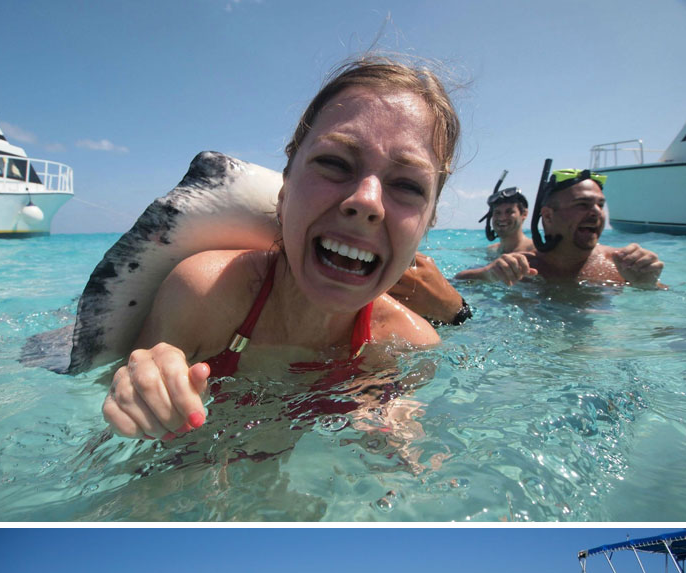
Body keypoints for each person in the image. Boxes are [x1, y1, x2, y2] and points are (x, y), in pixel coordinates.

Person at [101, 56, 461, 440]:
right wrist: (141, 390)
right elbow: (123, 435)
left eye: (407, 186)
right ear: (284, 189)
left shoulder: (409, 348)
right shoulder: (206, 295)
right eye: (335, 162)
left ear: (427, 224)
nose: (367, 201)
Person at [455, 167, 665, 288]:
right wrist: (488, 274)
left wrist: (647, 286)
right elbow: (455, 285)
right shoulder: (525, 267)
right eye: (582, 205)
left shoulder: (621, 266)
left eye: (600, 205)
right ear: (547, 215)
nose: (596, 212)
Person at [478, 186, 533, 255]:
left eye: (509, 212)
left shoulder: (535, 251)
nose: (502, 218)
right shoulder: (491, 250)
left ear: (524, 214)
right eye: (497, 213)